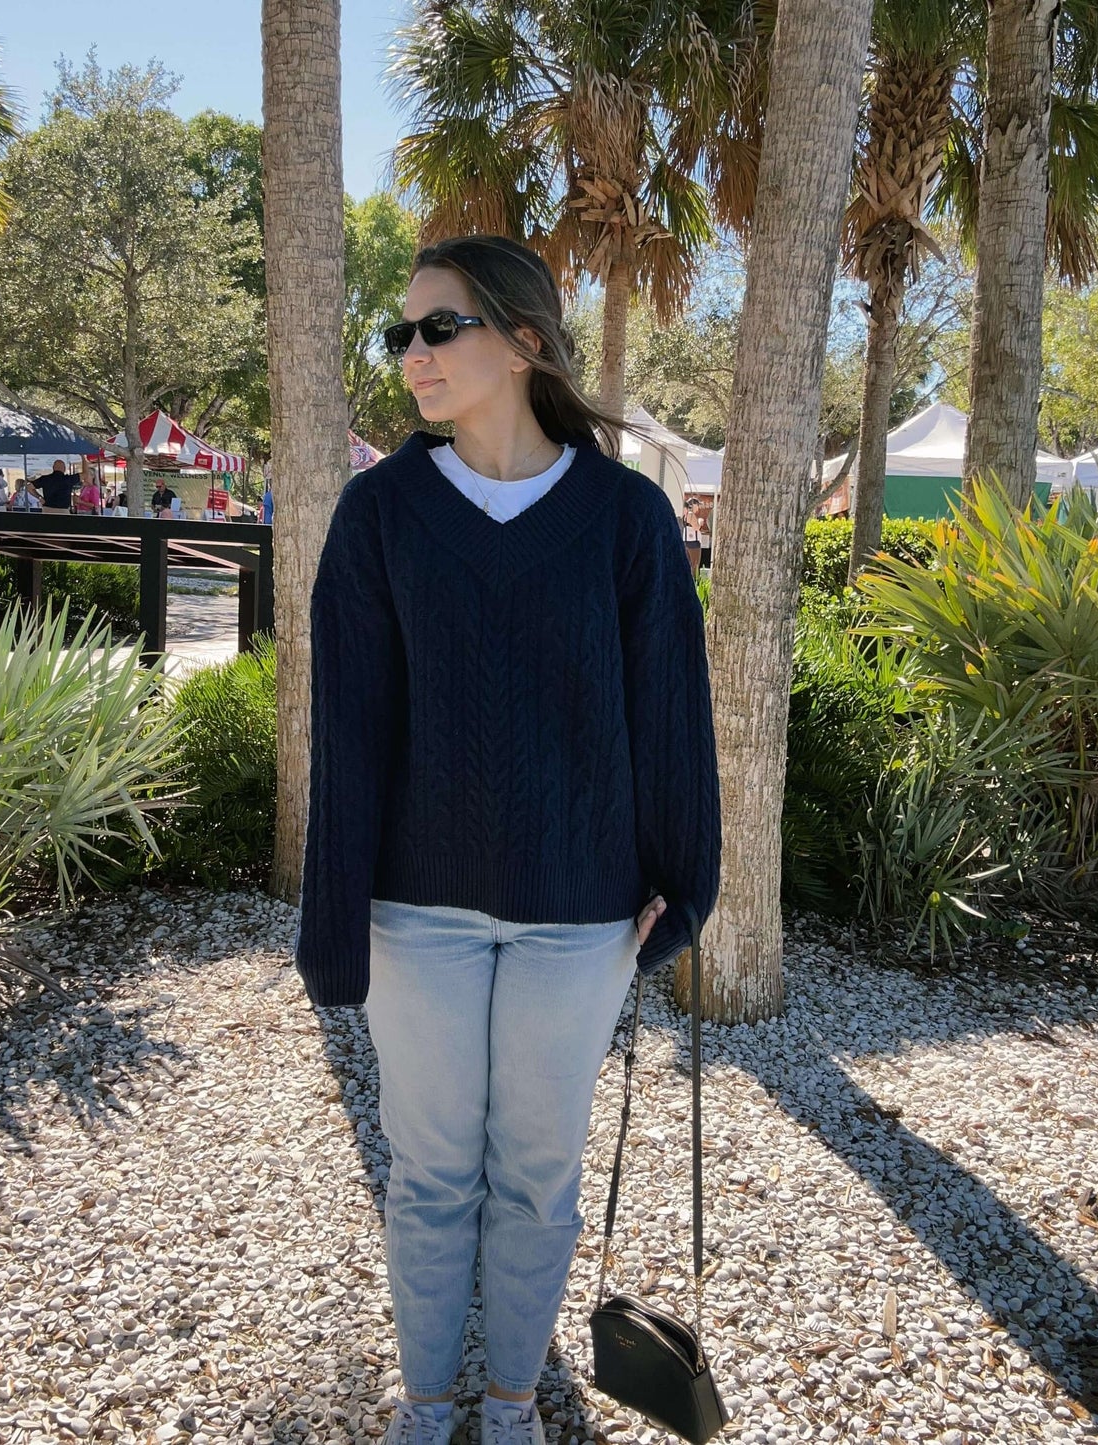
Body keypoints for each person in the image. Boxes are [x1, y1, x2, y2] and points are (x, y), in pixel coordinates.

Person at [295, 235, 720, 1445]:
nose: (411, 355)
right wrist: (333, 922)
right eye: (402, 335)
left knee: (536, 1179)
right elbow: (351, 728)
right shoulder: (378, 514)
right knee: (429, 1175)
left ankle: (510, 1398)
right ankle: (427, 1406)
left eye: (439, 328)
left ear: (523, 340)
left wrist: (680, 880)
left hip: (577, 911)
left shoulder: (626, 518)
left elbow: (669, 715)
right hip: (412, 912)